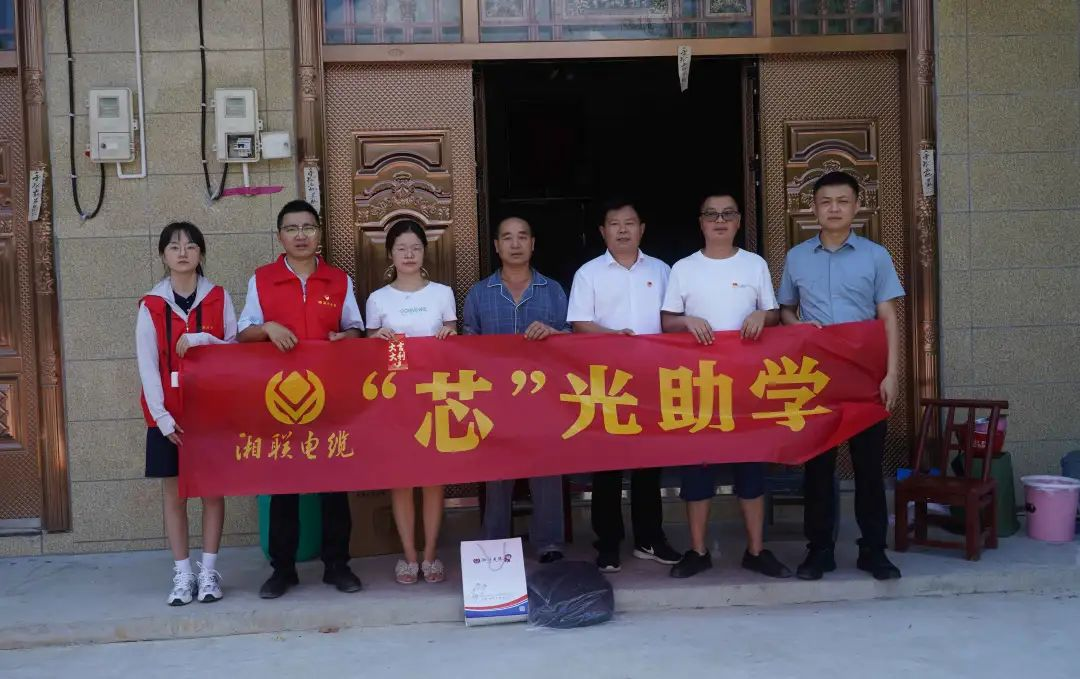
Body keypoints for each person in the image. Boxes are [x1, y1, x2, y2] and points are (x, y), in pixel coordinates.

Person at [778, 171, 905, 581]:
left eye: (842, 201)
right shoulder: (797, 257)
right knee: (818, 469)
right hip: (817, 376)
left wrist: (892, 373)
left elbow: (888, 317)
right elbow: (785, 309)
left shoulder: (875, 256)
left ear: (857, 206)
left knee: (868, 469)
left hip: (866, 375)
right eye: (825, 201)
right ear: (813, 208)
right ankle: (819, 551)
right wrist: (797, 324)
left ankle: (873, 550)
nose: (834, 208)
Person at [660, 194, 792, 580]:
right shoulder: (683, 268)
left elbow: (773, 314)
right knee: (697, 469)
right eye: (712, 214)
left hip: (747, 384)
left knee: (751, 467)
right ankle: (697, 550)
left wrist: (762, 315)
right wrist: (687, 322)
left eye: (728, 214)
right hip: (699, 385)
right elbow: (666, 321)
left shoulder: (755, 265)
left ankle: (756, 550)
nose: (720, 220)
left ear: (738, 222)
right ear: (701, 222)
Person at [238, 200, 365, 598]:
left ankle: (337, 565)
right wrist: (268, 328)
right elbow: (242, 332)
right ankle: (283, 569)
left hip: (331, 397)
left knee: (334, 484)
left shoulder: (338, 280)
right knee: (284, 484)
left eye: (308, 227)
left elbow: (356, 329)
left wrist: (346, 337)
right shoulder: (262, 280)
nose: (300, 235)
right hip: (279, 399)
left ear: (319, 233)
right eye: (291, 228)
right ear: (280, 236)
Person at [566, 198, 681, 573]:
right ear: (603, 231)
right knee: (608, 464)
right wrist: (612, 336)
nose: (622, 230)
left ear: (641, 229)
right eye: (614, 223)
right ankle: (608, 543)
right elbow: (579, 323)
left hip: (652, 379)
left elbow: (673, 320)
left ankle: (650, 538)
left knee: (650, 463)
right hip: (606, 380)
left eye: (629, 223)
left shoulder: (662, 271)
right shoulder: (588, 274)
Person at [136, 221, 237, 605]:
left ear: (201, 253)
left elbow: (234, 350)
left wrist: (202, 339)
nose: (183, 253)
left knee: (212, 493)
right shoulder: (151, 305)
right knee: (175, 496)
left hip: (211, 415)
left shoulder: (218, 297)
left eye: (191, 246)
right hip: (169, 418)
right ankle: (182, 574)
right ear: (163, 255)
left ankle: (208, 573)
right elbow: (147, 365)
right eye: (174, 247)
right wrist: (161, 418)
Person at [463, 217, 569, 563]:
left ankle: (549, 543)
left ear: (533, 243)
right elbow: (467, 347)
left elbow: (574, 341)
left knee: (547, 471)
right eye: (507, 238)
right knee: (497, 473)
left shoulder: (553, 290)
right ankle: (494, 544)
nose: (515, 244)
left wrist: (554, 334)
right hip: (495, 401)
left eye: (522, 237)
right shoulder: (480, 293)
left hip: (545, 398)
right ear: (496, 246)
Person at [366, 219, 458, 584]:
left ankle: (431, 554)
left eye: (415, 248)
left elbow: (454, 343)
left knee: (433, 477)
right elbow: (368, 355)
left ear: (424, 252)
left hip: (435, 396)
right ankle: (408, 556)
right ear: (390, 253)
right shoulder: (378, 299)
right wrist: (377, 340)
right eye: (401, 248)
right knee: (402, 478)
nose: (409, 255)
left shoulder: (442, 294)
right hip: (396, 401)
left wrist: (449, 335)